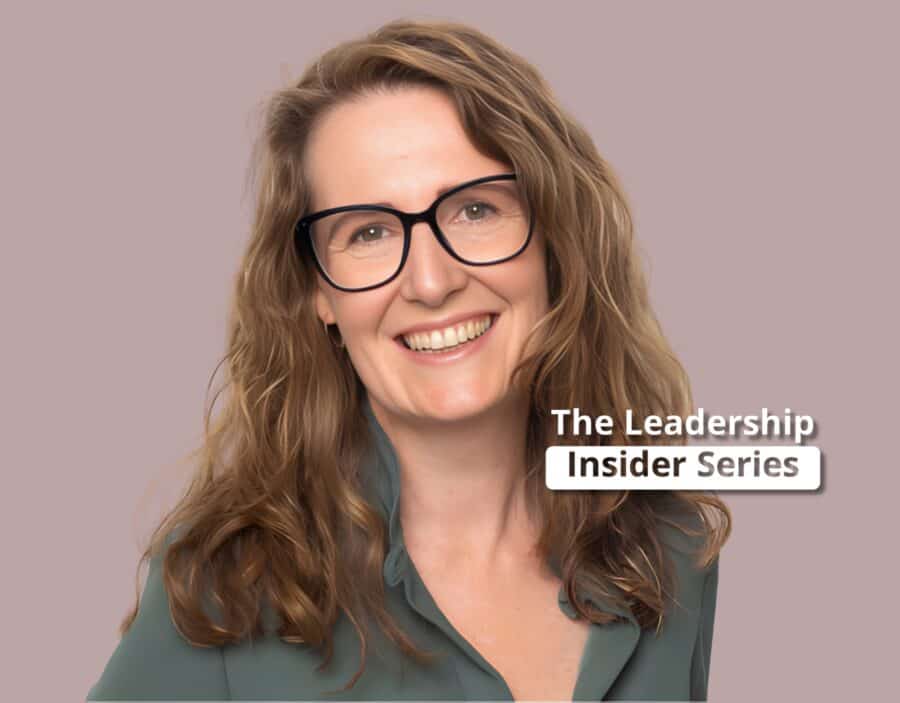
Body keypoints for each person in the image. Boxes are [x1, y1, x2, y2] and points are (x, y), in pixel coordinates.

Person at [87, 17, 731, 702]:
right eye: (367, 232)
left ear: (555, 236)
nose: (430, 281)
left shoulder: (671, 546)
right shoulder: (226, 584)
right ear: (318, 292)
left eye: (476, 210)